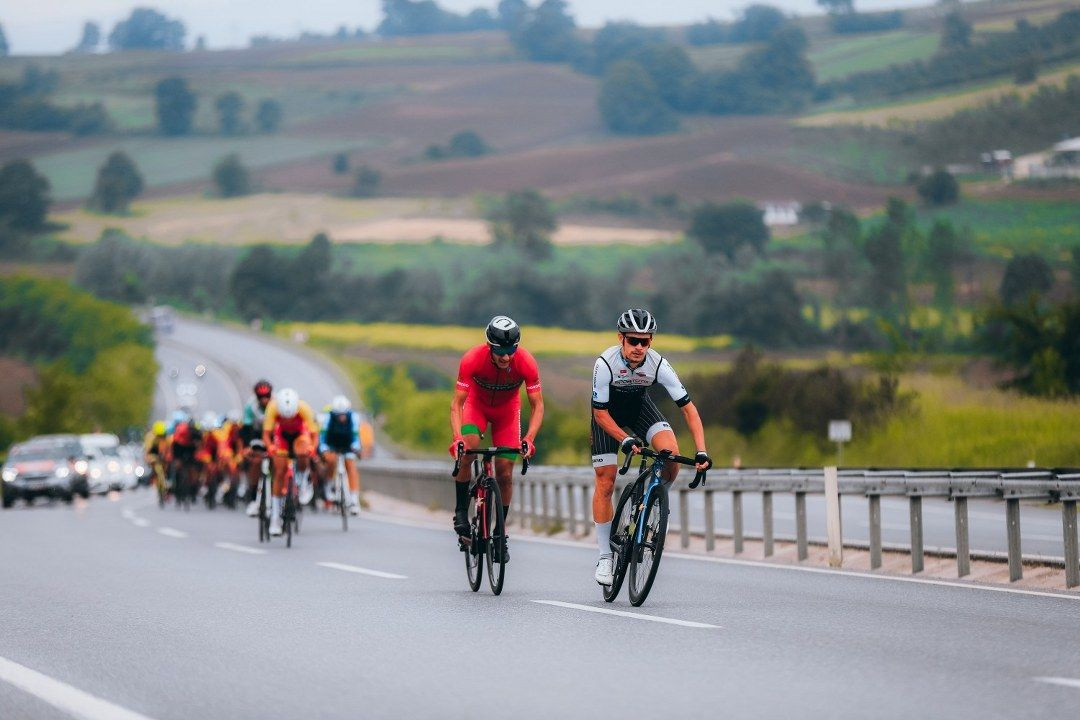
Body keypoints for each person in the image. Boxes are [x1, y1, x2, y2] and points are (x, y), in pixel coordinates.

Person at [589, 308, 711, 586]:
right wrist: (625, 439)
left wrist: (702, 450)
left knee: (671, 454)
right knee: (606, 481)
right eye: (633, 341)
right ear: (621, 338)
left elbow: (689, 410)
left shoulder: (658, 364)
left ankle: (657, 499)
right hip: (607, 417)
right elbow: (600, 414)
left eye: (645, 341)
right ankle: (605, 556)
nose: (639, 347)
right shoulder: (605, 364)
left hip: (640, 410)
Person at [448, 315, 544, 561]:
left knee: (504, 471)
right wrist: (457, 437)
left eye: (511, 350)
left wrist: (530, 438)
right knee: (468, 449)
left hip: (507, 413)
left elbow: (538, 406)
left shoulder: (526, 363)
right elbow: (457, 404)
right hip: (476, 407)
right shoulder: (472, 359)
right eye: (500, 351)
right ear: (490, 346)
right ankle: (460, 511)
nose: (506, 357)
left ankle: (500, 533)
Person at [262, 387, 318, 536]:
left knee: (303, 451)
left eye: (290, 416)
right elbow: (266, 434)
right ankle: (275, 518)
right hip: (282, 436)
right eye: (284, 416)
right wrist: (270, 447)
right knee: (279, 471)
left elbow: (314, 434)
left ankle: (303, 480)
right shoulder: (272, 407)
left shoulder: (304, 408)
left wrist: (312, 448)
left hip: (300, 434)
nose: (287, 419)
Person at [319, 395, 363, 515]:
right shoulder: (328, 418)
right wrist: (324, 449)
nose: (341, 417)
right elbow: (322, 438)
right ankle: (328, 486)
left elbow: (356, 437)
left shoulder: (353, 417)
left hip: (348, 444)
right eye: (339, 415)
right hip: (332, 444)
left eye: (343, 414)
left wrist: (356, 447)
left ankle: (354, 500)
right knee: (331, 460)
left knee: (351, 465)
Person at [243, 380, 273, 517]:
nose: (264, 400)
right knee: (256, 462)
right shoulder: (250, 407)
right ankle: (254, 498)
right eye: (261, 397)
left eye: (267, 396)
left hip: (274, 435)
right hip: (257, 435)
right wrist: (247, 447)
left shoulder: (276, 404)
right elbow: (247, 429)